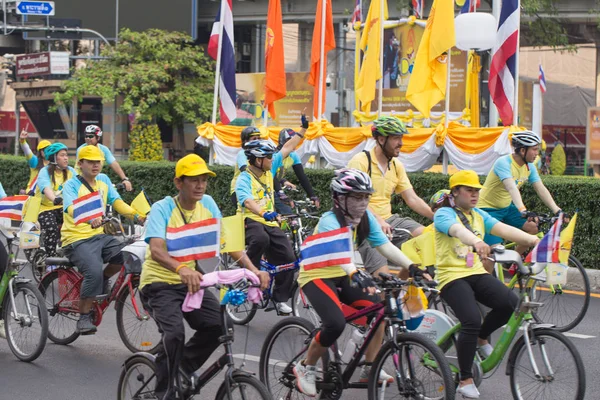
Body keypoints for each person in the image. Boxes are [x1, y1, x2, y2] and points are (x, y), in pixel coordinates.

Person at [139, 154, 269, 400]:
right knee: (175, 333)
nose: (200, 186)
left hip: (192, 283)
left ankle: (182, 367)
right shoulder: (162, 208)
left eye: (203, 180)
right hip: (158, 284)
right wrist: (181, 269)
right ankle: (162, 392)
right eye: (193, 181)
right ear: (179, 183)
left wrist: (254, 269)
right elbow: (156, 250)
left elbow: (229, 243)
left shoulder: (208, 204)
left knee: (220, 325)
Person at [293, 168, 423, 397]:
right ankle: (305, 366)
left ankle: (370, 367)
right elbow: (340, 254)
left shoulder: (365, 218)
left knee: (381, 309)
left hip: (344, 273)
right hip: (316, 275)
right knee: (335, 324)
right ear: (339, 198)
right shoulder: (329, 221)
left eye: (366, 197)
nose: (363, 202)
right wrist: (354, 273)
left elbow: (384, 245)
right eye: (356, 197)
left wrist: (412, 265)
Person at [433, 170, 539, 399]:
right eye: (469, 190)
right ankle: (465, 379)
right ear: (455, 192)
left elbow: (504, 230)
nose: (474, 194)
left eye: (477, 190)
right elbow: (457, 231)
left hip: (476, 272)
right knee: (470, 319)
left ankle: (482, 338)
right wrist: (477, 241)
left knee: (511, 304)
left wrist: (535, 240)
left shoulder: (478, 214)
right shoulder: (443, 214)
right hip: (451, 277)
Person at [62, 145, 143, 334]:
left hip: (99, 236)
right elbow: (70, 208)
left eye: (98, 161)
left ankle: (103, 279)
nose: (95, 165)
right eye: (90, 162)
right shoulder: (71, 185)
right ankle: (83, 317)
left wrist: (138, 216)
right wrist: (90, 218)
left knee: (124, 255)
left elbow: (118, 203)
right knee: (93, 271)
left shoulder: (104, 182)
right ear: (80, 164)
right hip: (76, 238)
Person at [347, 116, 434, 278]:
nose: (401, 143)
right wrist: (378, 220)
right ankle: (387, 296)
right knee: (383, 278)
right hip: (366, 225)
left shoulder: (396, 165)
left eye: (401, 137)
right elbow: (355, 200)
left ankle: (399, 292)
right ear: (381, 139)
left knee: (426, 238)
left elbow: (412, 199)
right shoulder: (361, 161)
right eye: (396, 138)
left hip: (390, 221)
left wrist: (437, 217)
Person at [234, 125, 304, 314]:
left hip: (270, 221)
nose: (273, 160)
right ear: (258, 159)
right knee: (261, 239)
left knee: (289, 259)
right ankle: (252, 275)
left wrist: (303, 129)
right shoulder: (244, 179)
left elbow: (288, 148)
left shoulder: (269, 169)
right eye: (269, 157)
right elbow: (247, 201)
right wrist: (264, 213)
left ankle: (280, 299)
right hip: (250, 220)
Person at [477, 130, 562, 266]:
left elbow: (540, 188)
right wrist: (523, 210)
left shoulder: (529, 167)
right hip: (487, 210)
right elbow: (511, 187)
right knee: (493, 256)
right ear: (522, 150)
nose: (536, 153)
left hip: (506, 207)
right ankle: (487, 285)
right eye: (534, 149)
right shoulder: (503, 163)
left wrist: (557, 210)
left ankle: (513, 262)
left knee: (532, 228)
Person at [36, 143, 77, 261]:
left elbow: (80, 186)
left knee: (78, 222)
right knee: (51, 227)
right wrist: (54, 199)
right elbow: (46, 188)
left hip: (63, 208)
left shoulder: (71, 172)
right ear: (54, 158)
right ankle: (51, 259)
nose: (66, 158)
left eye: (67, 155)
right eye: (62, 155)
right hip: (44, 208)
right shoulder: (44, 171)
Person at [273, 128, 320, 214]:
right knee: (287, 212)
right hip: (268, 186)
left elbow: (302, 177)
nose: (293, 144)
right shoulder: (275, 155)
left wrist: (312, 195)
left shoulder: (293, 155)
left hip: (277, 184)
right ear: (283, 141)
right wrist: (280, 192)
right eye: (289, 140)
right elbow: (272, 175)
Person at [75, 125, 133, 191]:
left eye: (91, 136)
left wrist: (124, 179)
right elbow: (79, 169)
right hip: (81, 182)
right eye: (86, 136)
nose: (88, 138)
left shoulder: (103, 149)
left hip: (95, 181)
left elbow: (113, 163)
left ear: (98, 138)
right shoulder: (81, 150)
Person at [229, 126, 262, 207]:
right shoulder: (242, 153)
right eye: (254, 139)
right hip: (239, 190)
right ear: (245, 141)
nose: (257, 141)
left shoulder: (259, 155)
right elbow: (245, 170)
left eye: (259, 138)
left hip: (254, 189)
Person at [19, 130, 51, 194]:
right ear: (40, 152)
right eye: (44, 150)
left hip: (48, 193)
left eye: (49, 149)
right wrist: (22, 141)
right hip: (33, 193)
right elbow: (27, 151)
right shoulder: (35, 161)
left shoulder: (54, 164)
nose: (47, 151)